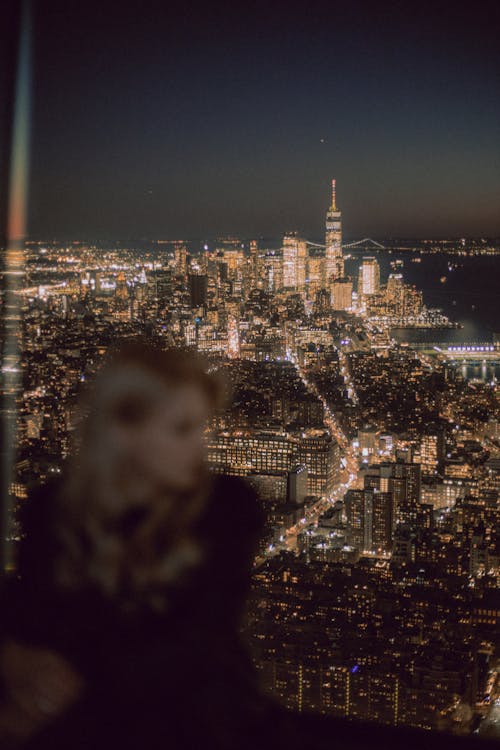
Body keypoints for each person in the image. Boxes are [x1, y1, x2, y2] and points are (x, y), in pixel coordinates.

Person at [0, 341, 278, 749]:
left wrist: (63, 675)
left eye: (200, 428)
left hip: (195, 724)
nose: (199, 449)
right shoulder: (51, 511)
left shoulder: (228, 510)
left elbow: (196, 645)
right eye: (182, 430)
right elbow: (32, 613)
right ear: (123, 431)